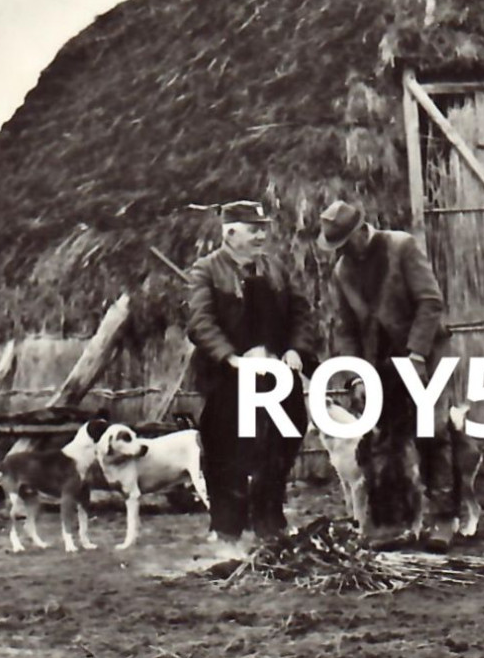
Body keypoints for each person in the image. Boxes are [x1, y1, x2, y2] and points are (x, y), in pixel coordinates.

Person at [317, 199, 459, 552]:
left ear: (363, 231)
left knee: (432, 433)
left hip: (424, 353)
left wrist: (415, 354)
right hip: (379, 363)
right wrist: (359, 375)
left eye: (348, 242)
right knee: (382, 442)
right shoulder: (342, 273)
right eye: (339, 247)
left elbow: (431, 303)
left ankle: (443, 520)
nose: (345, 251)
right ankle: (393, 523)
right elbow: (345, 329)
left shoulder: (402, 247)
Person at [185, 200, 317, 550]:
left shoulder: (275, 269)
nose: (261, 235)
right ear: (230, 233)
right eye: (253, 229)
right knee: (225, 450)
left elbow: (301, 314)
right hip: (230, 377)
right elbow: (200, 323)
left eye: (263, 228)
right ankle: (227, 530)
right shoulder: (206, 271)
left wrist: (294, 350)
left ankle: (269, 522)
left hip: (276, 373)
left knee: (282, 444)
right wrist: (232, 358)